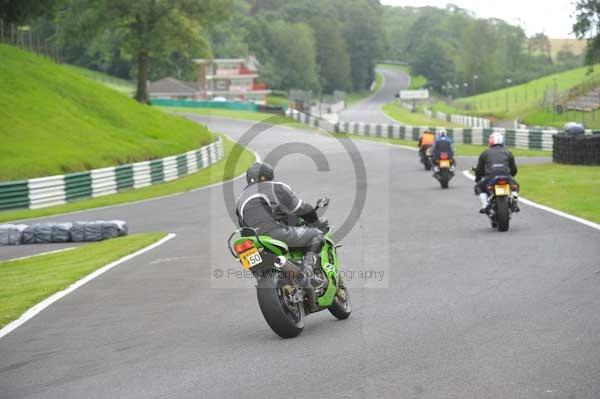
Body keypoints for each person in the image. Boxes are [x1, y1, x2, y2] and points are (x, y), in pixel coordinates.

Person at [236, 162, 325, 289]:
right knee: (316, 234)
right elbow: (301, 208)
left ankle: (263, 276)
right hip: (273, 233)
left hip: (253, 240)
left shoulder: (241, 199)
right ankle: (308, 272)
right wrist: (317, 223)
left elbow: (243, 228)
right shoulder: (275, 187)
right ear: (269, 175)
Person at [474, 132, 519, 213]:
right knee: (516, 186)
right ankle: (514, 200)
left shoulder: (485, 153)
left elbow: (479, 170)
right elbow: (514, 169)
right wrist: (511, 177)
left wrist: (478, 178)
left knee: (478, 187)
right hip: (506, 177)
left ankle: (485, 204)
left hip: (490, 178)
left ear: (490, 141)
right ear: (502, 141)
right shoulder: (508, 152)